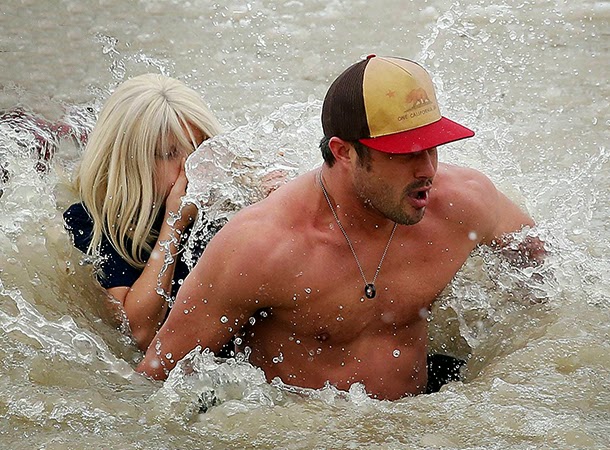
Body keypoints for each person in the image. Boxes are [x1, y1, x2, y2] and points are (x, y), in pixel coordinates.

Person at [137, 55, 544, 400]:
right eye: (405, 155)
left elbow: (548, 275)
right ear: (343, 151)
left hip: (424, 418)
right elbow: (157, 375)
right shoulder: (262, 246)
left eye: (433, 146)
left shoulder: (464, 203)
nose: (428, 169)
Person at [64, 73, 223, 351]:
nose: (190, 166)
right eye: (169, 153)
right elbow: (137, 332)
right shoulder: (90, 222)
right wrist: (174, 223)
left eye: (199, 149)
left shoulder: (215, 205)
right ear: (128, 160)